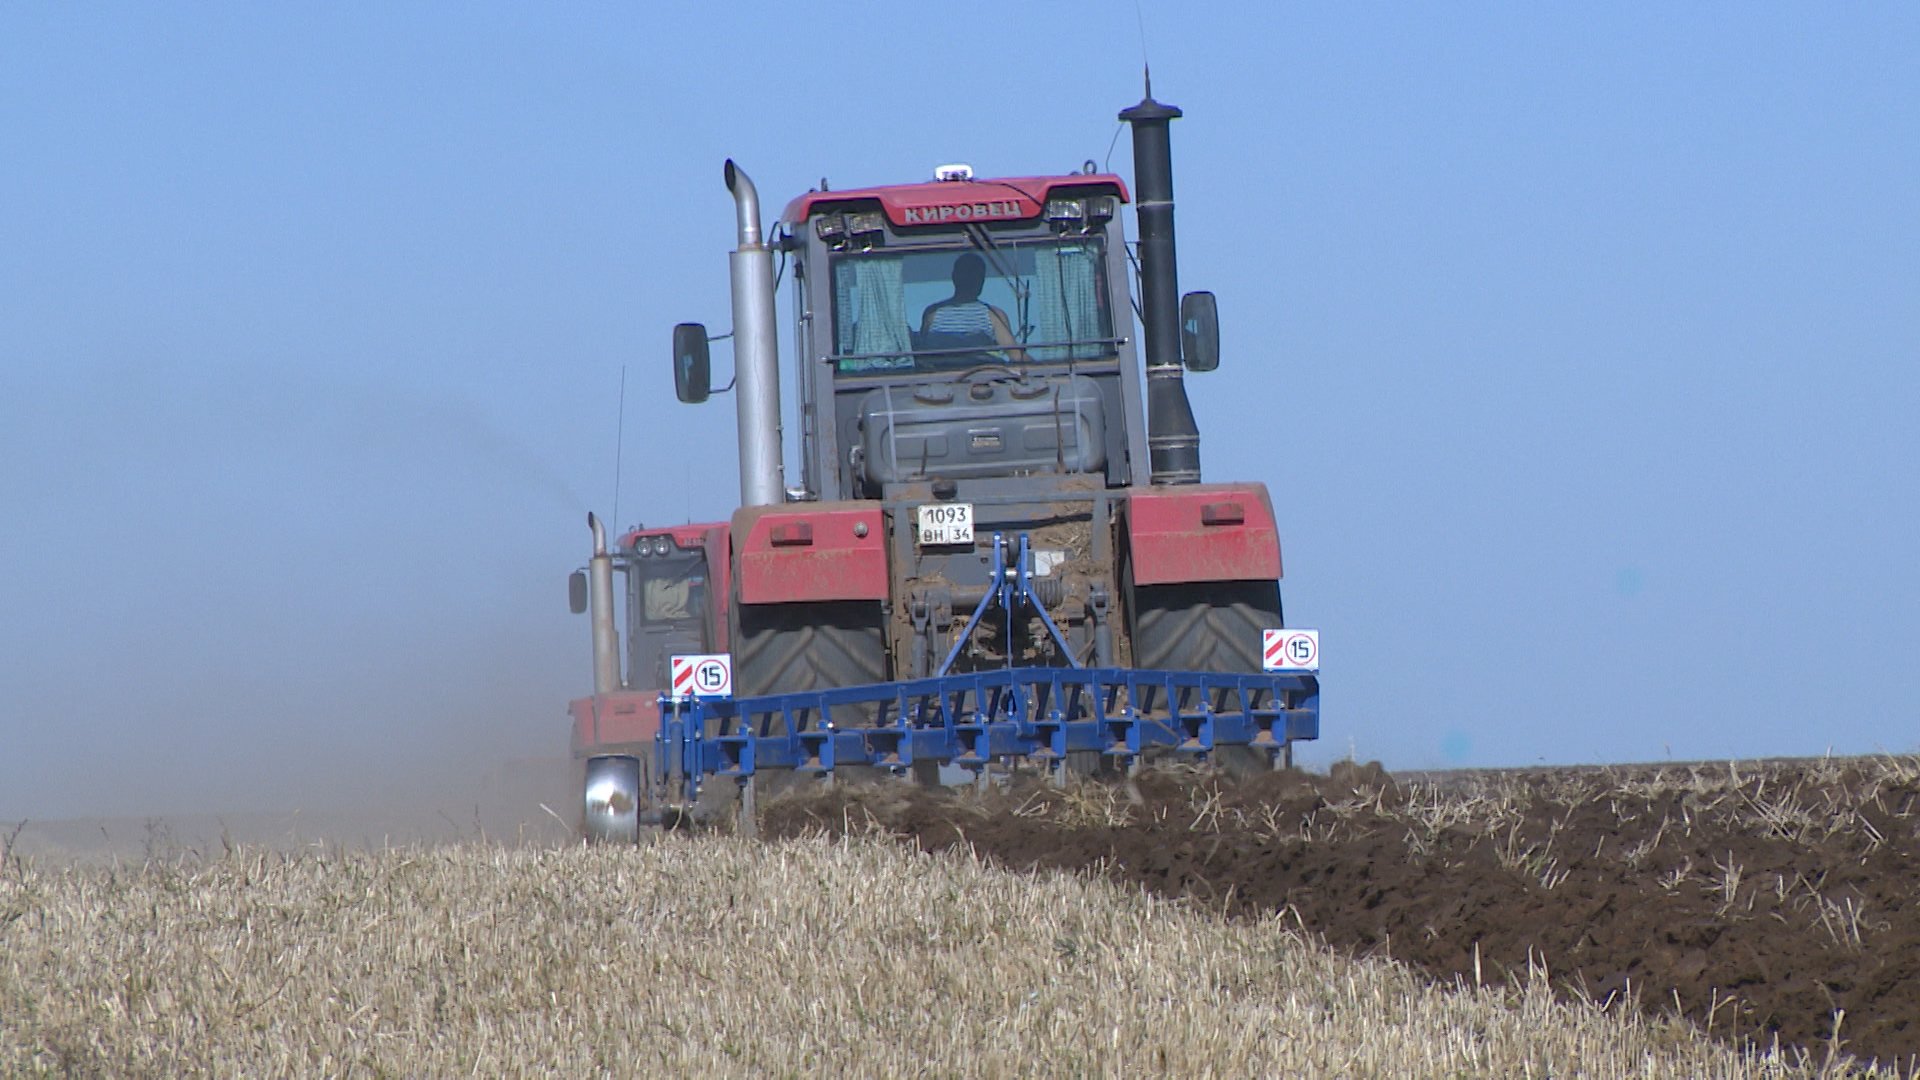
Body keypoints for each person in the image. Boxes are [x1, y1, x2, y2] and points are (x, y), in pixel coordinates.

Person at [918, 253, 1026, 362]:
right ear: (955, 277)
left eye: (977, 275)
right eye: (970, 275)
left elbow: (1015, 355)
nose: (975, 280)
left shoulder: (932, 313)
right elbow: (1016, 355)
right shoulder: (993, 315)